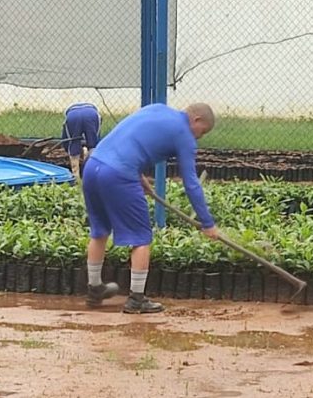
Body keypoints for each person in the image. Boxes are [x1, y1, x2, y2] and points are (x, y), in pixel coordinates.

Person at [82, 103, 220, 314]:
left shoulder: (157, 109)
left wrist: (139, 176)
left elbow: (130, 139)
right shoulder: (184, 135)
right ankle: (137, 299)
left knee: (99, 231)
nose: (198, 138)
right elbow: (191, 182)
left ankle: (94, 290)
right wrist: (207, 223)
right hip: (119, 174)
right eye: (201, 132)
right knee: (141, 238)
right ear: (197, 120)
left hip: (93, 166)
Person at [62, 103, 101, 180]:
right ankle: (90, 174)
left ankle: (75, 176)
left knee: (73, 142)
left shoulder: (68, 113)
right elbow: (97, 139)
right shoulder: (95, 112)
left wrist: (68, 148)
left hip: (72, 116)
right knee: (93, 144)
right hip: (92, 114)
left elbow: (65, 139)